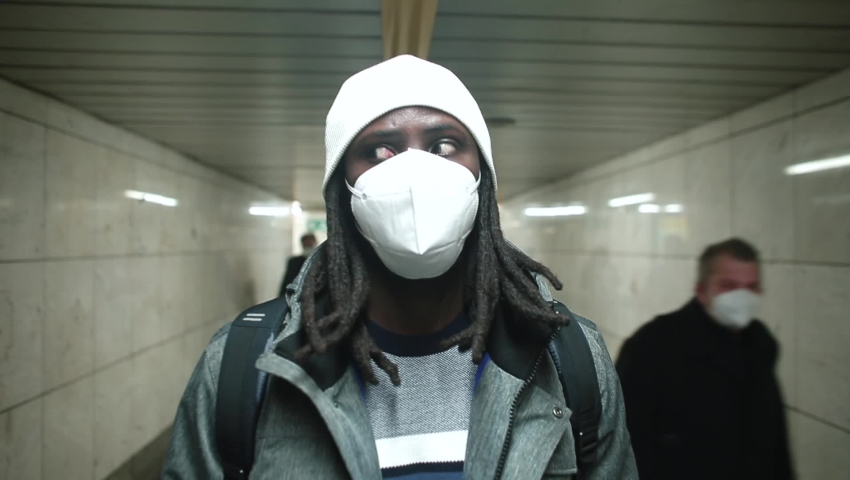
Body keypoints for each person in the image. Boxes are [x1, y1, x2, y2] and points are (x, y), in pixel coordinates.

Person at [163, 55, 637, 479]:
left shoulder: (568, 357)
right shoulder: (245, 365)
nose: (414, 172)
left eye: (445, 146)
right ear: (341, 192)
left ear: (482, 181)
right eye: (379, 151)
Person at [616, 238, 794, 480]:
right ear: (701, 290)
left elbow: (775, 443)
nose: (742, 297)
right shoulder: (653, 346)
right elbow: (624, 442)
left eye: (751, 287)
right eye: (729, 286)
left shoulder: (760, 348)